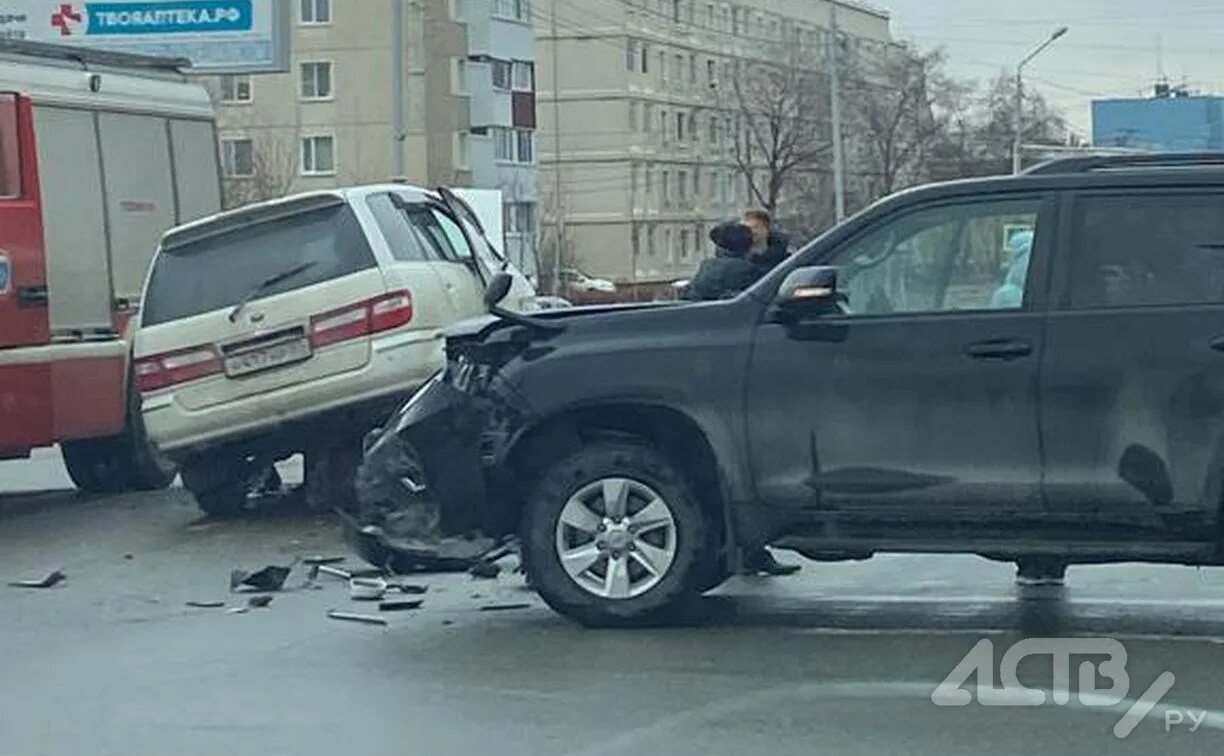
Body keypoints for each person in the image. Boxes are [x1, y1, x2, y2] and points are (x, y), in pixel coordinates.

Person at [683, 211, 801, 577]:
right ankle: (754, 551)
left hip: (703, 371)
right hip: (740, 377)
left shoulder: (706, 272)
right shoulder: (748, 275)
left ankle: (736, 550)